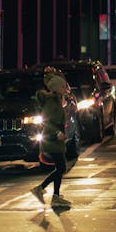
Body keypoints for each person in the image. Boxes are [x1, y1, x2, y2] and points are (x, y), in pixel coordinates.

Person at [31, 74, 72, 209]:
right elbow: (46, 121)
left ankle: (56, 196)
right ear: (56, 88)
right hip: (52, 139)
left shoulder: (57, 100)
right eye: (62, 86)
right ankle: (40, 189)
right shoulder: (51, 102)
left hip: (56, 139)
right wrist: (57, 132)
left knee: (60, 168)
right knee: (61, 168)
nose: (64, 88)